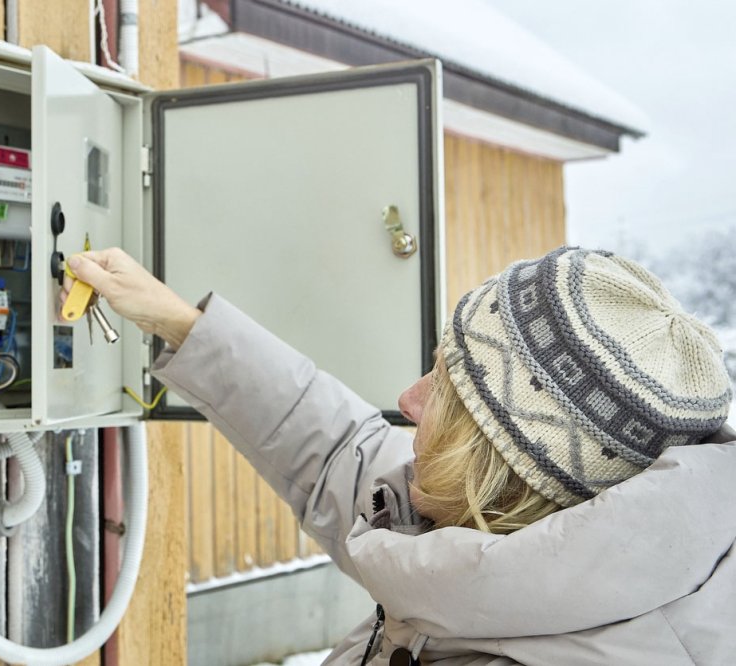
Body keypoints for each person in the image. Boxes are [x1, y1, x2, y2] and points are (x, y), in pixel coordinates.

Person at [65, 246, 736, 665]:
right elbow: (336, 448)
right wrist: (178, 322)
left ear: (504, 465)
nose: (408, 399)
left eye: (445, 389)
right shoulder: (518, 528)